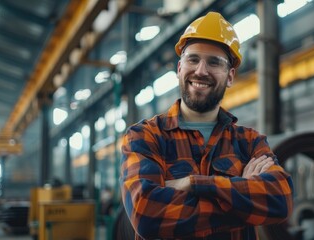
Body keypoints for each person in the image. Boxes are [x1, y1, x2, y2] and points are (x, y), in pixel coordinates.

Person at [120, 11, 293, 240]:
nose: (201, 71)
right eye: (193, 59)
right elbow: (147, 215)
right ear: (180, 68)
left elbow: (279, 201)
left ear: (230, 76)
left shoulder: (250, 142)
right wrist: (241, 193)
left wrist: (192, 184)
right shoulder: (144, 137)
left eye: (214, 62)